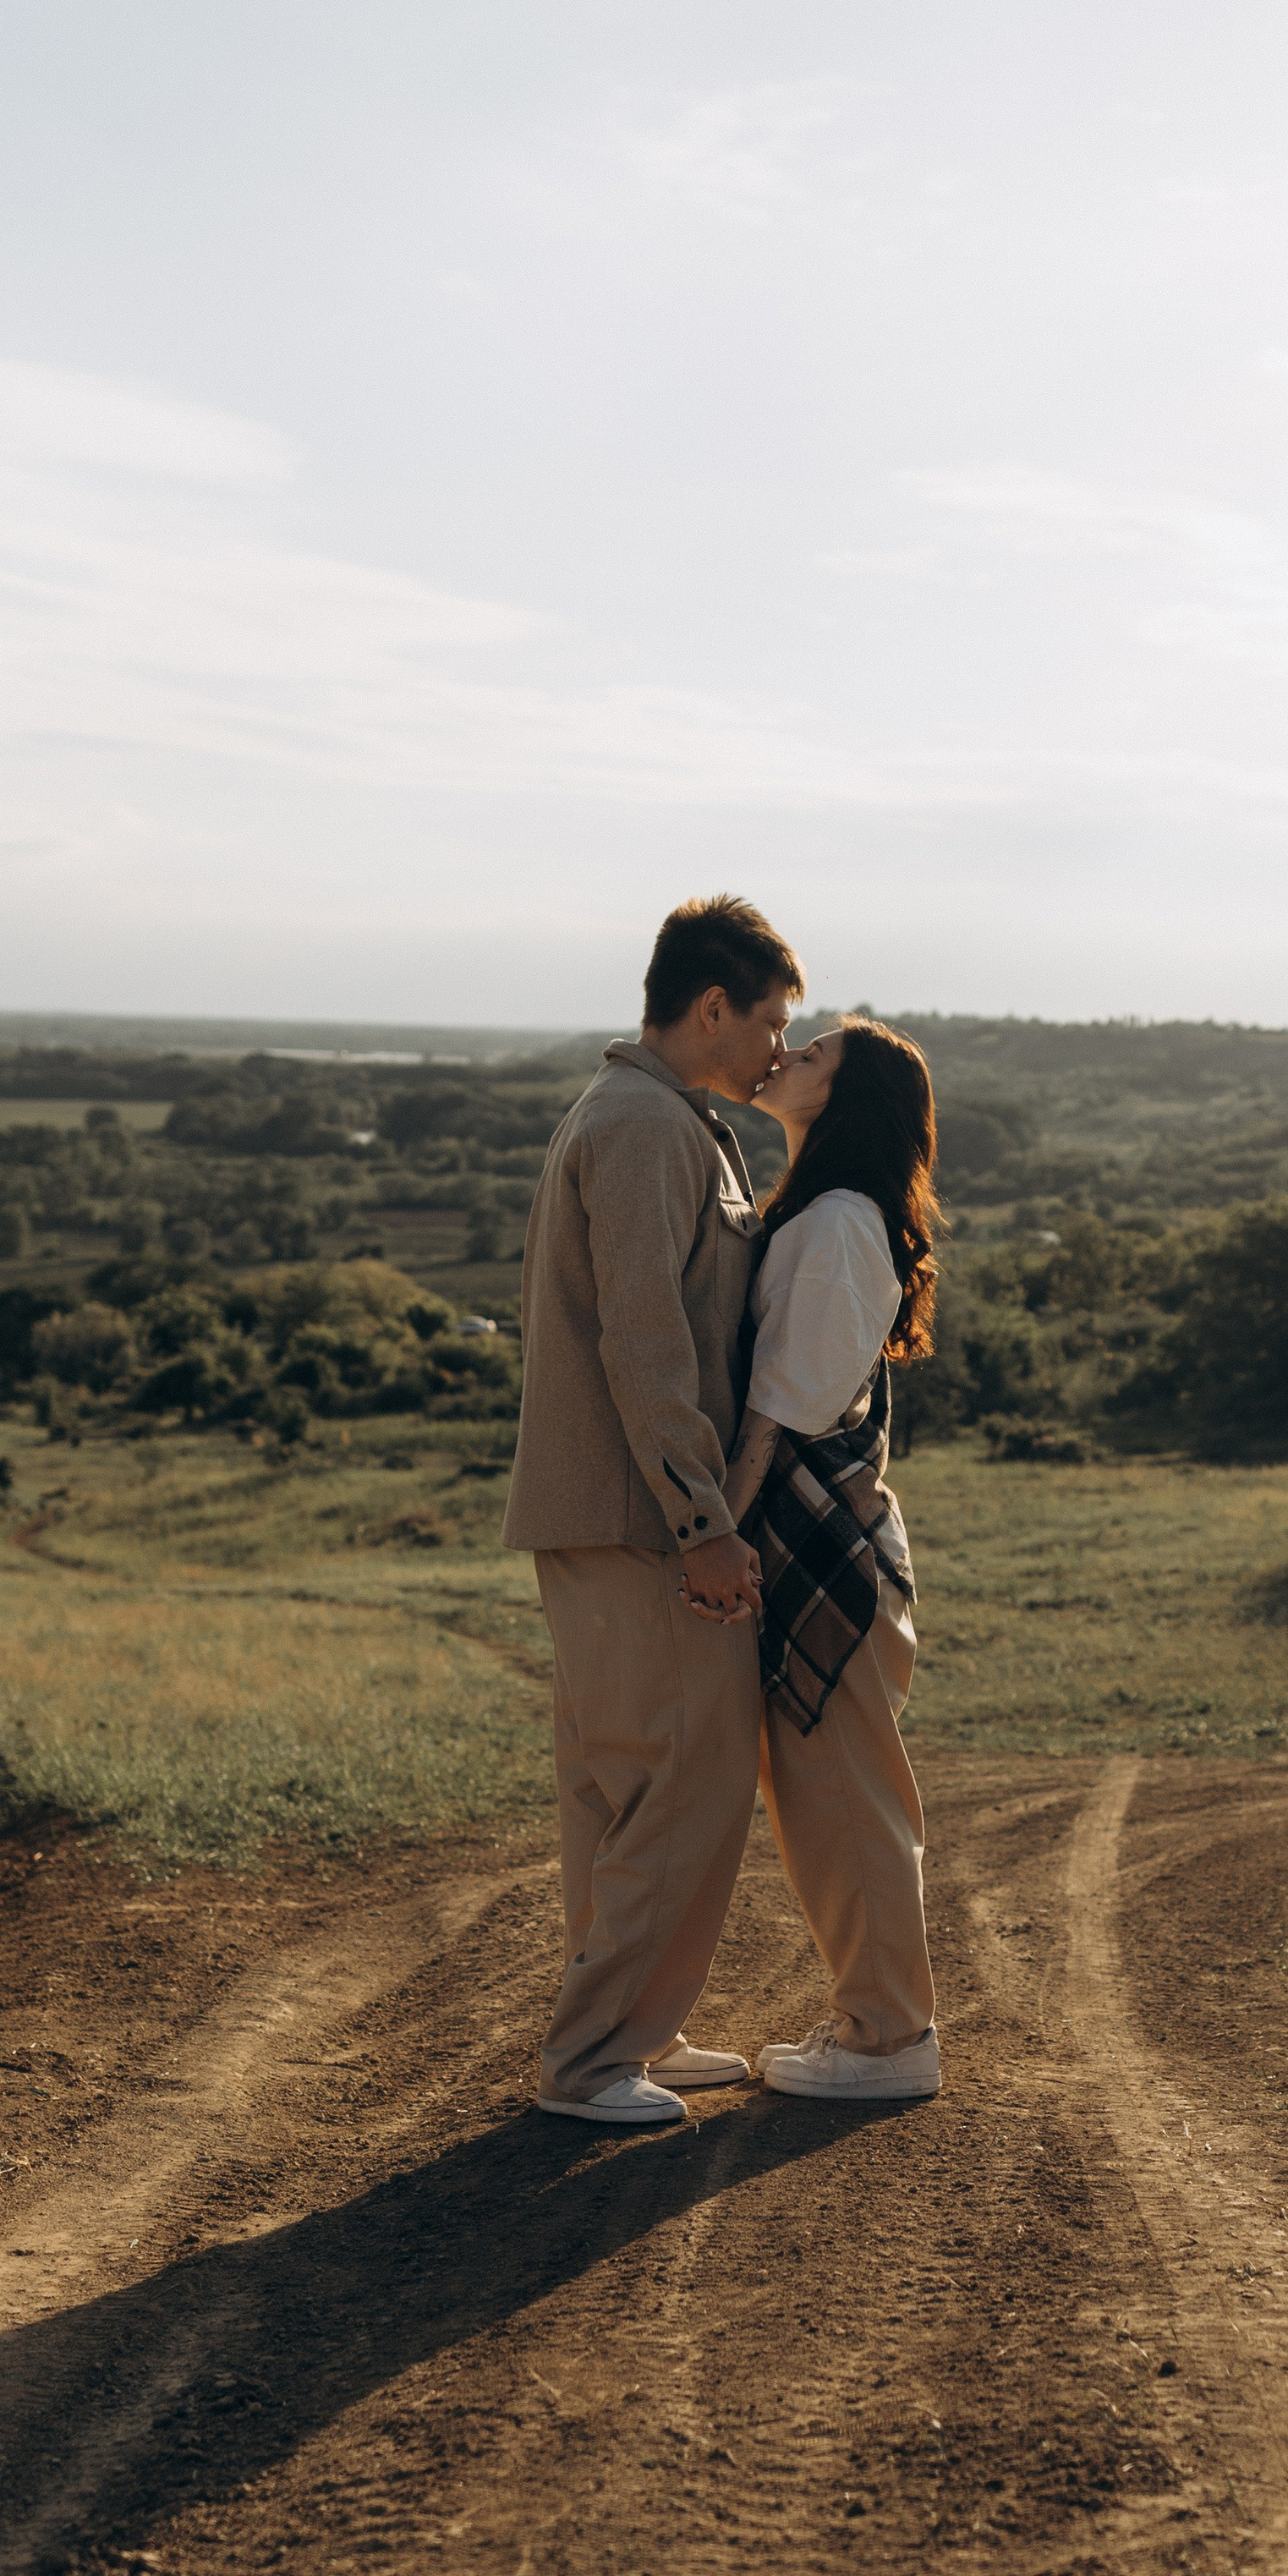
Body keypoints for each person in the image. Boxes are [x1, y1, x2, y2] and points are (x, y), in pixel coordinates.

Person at [504, 896, 803, 2126]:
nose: (782, 1046)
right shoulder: (643, 1127)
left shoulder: (672, 1119)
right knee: (678, 1779)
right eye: (772, 1019)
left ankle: (635, 2030)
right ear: (712, 1004)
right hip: (638, 1519)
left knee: (625, 1786)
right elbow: (646, 1341)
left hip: (615, 1513)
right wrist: (705, 1521)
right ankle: (591, 2063)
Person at [709, 1017, 944, 2102]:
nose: (785, 1056)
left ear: (845, 1103)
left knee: (846, 1801)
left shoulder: (843, 1220)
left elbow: (782, 1409)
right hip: (812, 1541)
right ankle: (872, 2022)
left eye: (810, 1058)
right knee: (822, 1797)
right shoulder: (815, 1209)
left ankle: (889, 2040)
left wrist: (709, 1531)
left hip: (824, 1547)